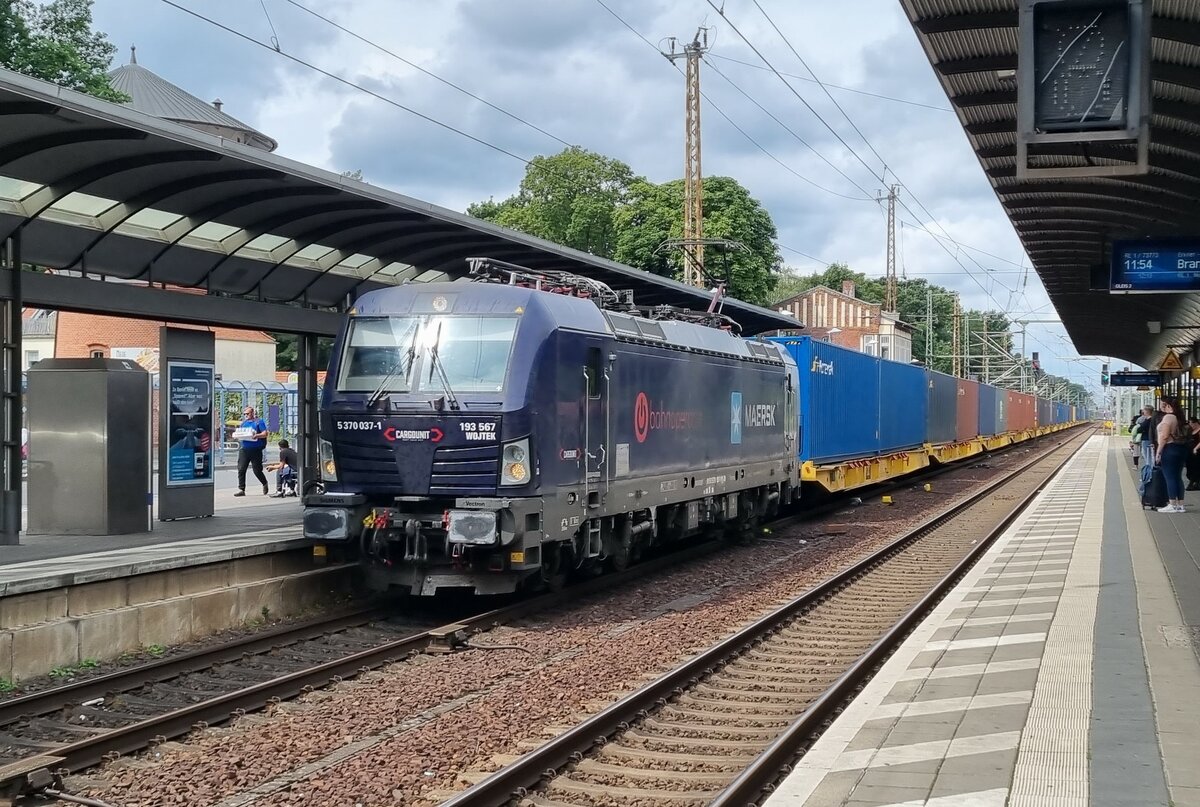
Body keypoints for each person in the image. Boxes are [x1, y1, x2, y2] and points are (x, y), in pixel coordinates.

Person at [1154, 395, 1191, 513]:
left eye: (1162, 404)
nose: (1160, 406)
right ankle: (1180, 505)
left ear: (1168, 406)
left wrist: (1158, 451)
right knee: (1177, 477)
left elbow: (1164, 436)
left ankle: (1172, 504)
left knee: (1169, 477)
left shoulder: (1168, 417)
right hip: (1180, 449)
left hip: (1169, 449)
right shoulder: (1179, 417)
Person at [234, 405, 269, 497]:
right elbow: (241, 433)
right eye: (244, 414)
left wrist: (256, 436)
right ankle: (241, 489)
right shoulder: (244, 423)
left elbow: (265, 433)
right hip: (244, 449)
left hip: (256, 449)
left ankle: (264, 483)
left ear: (253, 413)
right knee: (241, 469)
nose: (246, 415)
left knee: (257, 470)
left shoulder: (258, 422)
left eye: (248, 414)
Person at [1187, 418, 1200, 492]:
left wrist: (1196, 448)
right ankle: (1196, 483)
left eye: (1191, 423)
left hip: (1197, 452)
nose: (1190, 425)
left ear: (1196, 423)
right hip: (1190, 451)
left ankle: (1192, 483)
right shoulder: (1191, 430)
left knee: (1196, 467)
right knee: (1190, 467)